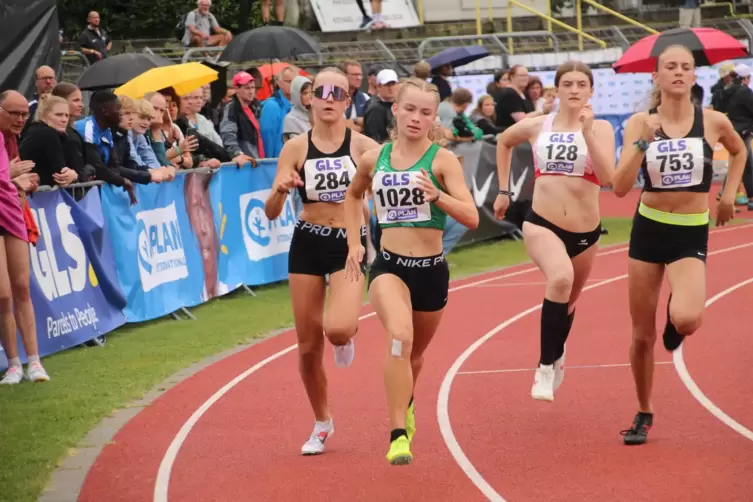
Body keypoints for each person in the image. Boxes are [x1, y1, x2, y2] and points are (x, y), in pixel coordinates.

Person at [612, 45, 744, 445]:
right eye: (670, 67)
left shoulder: (713, 121)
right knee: (640, 335)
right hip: (649, 228)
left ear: (693, 77)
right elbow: (618, 188)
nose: (678, 73)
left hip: (690, 230)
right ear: (655, 76)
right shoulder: (639, 122)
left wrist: (727, 196)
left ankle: (675, 320)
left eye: (686, 67)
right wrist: (640, 144)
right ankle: (644, 411)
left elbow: (739, 151)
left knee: (687, 319)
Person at [343, 78, 479, 465]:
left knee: (414, 355)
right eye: (410, 110)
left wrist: (439, 197)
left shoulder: (442, 161)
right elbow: (353, 196)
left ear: (434, 117)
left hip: (431, 271)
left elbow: (470, 217)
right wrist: (356, 241)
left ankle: (408, 401)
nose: (416, 118)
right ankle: (397, 433)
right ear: (396, 111)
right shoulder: (374, 159)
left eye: (425, 112)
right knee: (399, 336)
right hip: (389, 267)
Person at [263, 67, 379, 456]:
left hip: (349, 244)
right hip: (308, 242)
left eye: (338, 92)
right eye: (321, 91)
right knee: (307, 347)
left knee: (340, 329)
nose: (329, 98)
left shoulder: (363, 146)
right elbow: (270, 211)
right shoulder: (295, 147)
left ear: (348, 100)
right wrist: (280, 190)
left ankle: (344, 337)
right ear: (309, 98)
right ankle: (322, 422)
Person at [493, 60, 615, 402]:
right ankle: (544, 368)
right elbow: (503, 142)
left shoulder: (601, 128)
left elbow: (608, 179)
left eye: (581, 84)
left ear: (591, 90)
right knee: (559, 279)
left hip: (586, 232)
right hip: (542, 223)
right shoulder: (538, 126)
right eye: (568, 84)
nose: (575, 90)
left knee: (570, 301)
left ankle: (557, 352)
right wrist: (504, 191)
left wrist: (587, 133)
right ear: (556, 90)